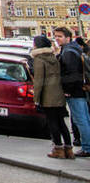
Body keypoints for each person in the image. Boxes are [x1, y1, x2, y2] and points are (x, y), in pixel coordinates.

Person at [33, 35, 73, 159]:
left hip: (48, 96)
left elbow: (39, 81)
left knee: (52, 123)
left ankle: (58, 149)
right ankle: (69, 149)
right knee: (61, 122)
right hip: (58, 94)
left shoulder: (39, 59)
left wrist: (36, 99)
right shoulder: (53, 57)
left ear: (38, 45)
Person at [54, 27, 90, 156]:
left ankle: (87, 148)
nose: (57, 39)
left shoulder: (69, 52)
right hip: (79, 89)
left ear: (68, 38)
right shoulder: (73, 49)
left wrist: (68, 90)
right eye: (56, 36)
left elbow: (72, 74)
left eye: (60, 36)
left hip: (75, 91)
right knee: (84, 118)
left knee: (81, 119)